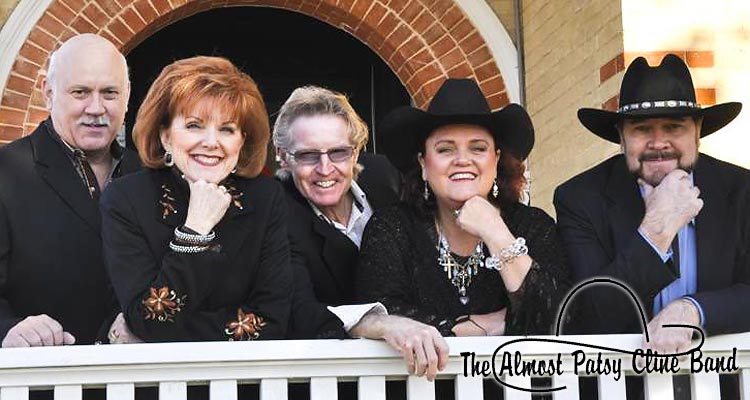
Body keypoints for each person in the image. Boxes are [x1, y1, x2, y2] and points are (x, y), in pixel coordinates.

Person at [554, 54, 749, 357]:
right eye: (642, 129)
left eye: (673, 127)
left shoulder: (742, 191)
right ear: (621, 137)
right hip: (623, 383)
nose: (658, 142)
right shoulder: (580, 199)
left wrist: (693, 311)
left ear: (697, 132)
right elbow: (591, 315)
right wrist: (657, 230)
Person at [357, 79, 570, 342]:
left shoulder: (534, 225)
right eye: (445, 149)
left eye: (478, 148)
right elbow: (377, 312)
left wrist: (495, 232)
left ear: (497, 159)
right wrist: (482, 326)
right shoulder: (392, 226)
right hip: (419, 381)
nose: (462, 160)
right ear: (423, 164)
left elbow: (560, 318)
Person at [101, 56, 291, 342]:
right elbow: (151, 318)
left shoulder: (266, 197)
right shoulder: (126, 199)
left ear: (241, 141)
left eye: (227, 129)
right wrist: (196, 230)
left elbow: (273, 320)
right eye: (194, 126)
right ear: (165, 136)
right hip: (151, 382)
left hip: (244, 379)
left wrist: (162, 335)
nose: (211, 142)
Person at [273, 86, 449, 381]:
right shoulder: (276, 210)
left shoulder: (387, 179)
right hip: (329, 378)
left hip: (420, 371)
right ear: (282, 156)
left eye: (339, 152)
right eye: (307, 155)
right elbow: (298, 308)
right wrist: (381, 324)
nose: (325, 168)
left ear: (355, 151)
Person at [0, 34, 139, 347]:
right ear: (48, 93)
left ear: (127, 96)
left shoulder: (151, 177)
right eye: (80, 92)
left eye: (109, 93)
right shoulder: (5, 173)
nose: (95, 107)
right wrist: (9, 330)